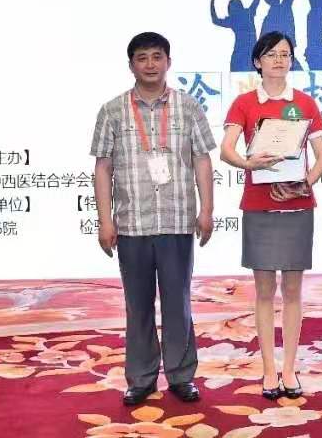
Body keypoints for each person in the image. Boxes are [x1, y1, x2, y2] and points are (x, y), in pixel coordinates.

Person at [91, 32, 217, 405]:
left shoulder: (188, 107)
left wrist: (206, 210)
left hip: (176, 220)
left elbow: (202, 160)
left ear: (168, 62)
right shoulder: (113, 110)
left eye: (157, 56)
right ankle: (142, 378)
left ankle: (181, 375)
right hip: (132, 223)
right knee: (138, 305)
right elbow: (103, 167)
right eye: (142, 58)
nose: (150, 64)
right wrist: (105, 220)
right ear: (131, 65)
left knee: (178, 302)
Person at [220, 32, 322, 400]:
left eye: (285, 54)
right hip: (259, 204)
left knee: (293, 291)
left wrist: (304, 184)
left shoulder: (305, 103)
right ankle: (269, 369)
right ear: (257, 62)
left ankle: (289, 368)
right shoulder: (244, 103)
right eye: (271, 55)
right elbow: (226, 150)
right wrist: (248, 163)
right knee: (265, 291)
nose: (279, 60)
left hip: (297, 206)